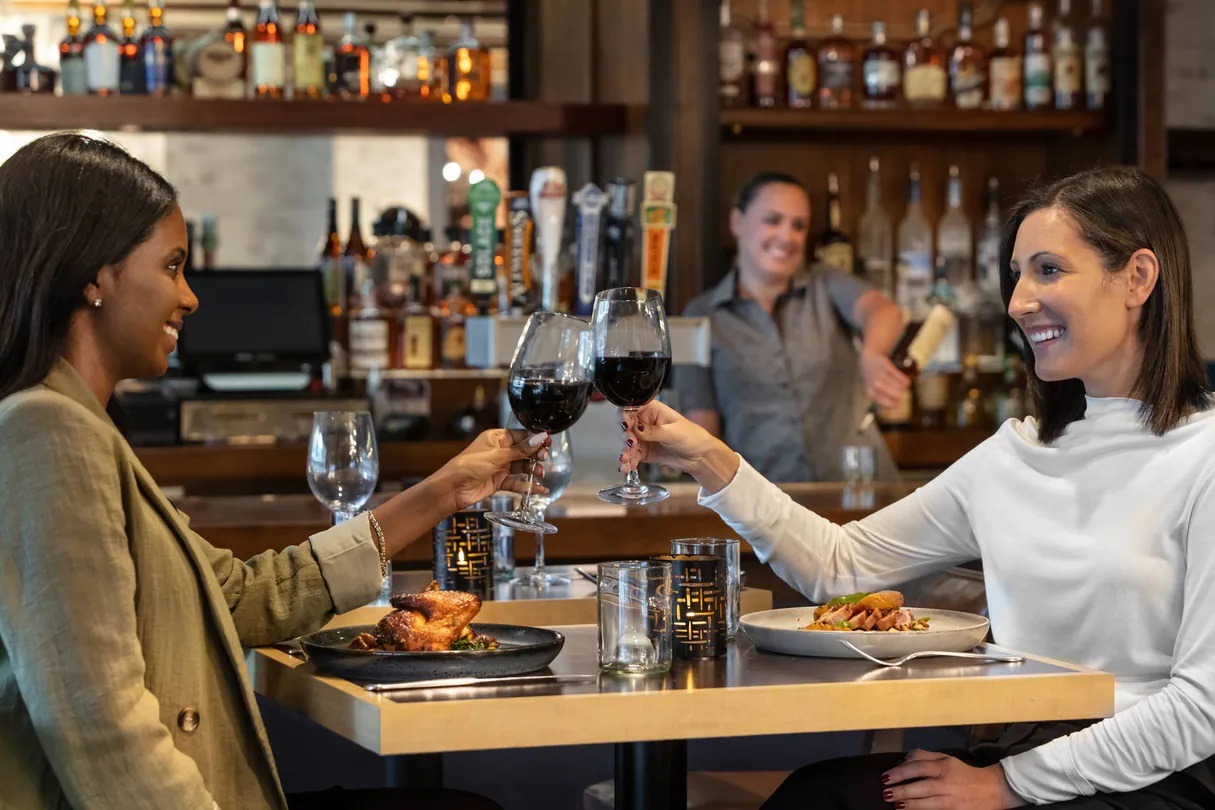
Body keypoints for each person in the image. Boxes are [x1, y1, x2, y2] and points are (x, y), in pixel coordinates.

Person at [620, 166, 1215, 809]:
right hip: (1019, 755)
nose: (1017, 302)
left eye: (1048, 270)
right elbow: (842, 566)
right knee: (816, 797)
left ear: (1138, 278)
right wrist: (709, 458)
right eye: (1016, 275)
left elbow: (1201, 709)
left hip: (1153, 780)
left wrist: (1010, 785)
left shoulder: (1203, 455)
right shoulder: (1013, 454)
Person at [0, 133, 542, 810]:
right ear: (95, 275)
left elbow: (241, 599)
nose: (191, 297)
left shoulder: (76, 424)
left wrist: (445, 489)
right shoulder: (45, 431)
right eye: (171, 267)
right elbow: (95, 722)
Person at [676, 171, 909, 483]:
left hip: (857, 494)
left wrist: (872, 354)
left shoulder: (825, 284)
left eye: (798, 225)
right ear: (737, 222)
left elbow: (884, 311)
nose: (787, 237)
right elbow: (701, 436)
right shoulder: (702, 314)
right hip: (767, 509)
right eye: (773, 220)